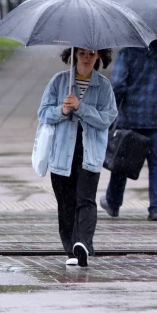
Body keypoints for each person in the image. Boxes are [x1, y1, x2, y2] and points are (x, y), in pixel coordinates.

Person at [37, 48, 117, 268]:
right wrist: (61, 111)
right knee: (65, 203)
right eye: (82, 52)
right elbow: (43, 113)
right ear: (74, 54)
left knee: (85, 199)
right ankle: (70, 249)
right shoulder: (59, 81)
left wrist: (81, 108)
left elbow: (107, 119)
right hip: (62, 153)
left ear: (98, 56)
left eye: (91, 53)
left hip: (89, 151)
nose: (86, 57)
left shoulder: (104, 87)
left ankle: (83, 244)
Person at [100, 38, 157, 221]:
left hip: (131, 117)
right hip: (156, 118)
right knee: (156, 163)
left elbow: (119, 85)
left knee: (122, 161)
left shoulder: (127, 53)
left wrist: (115, 108)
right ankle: (155, 208)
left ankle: (113, 203)